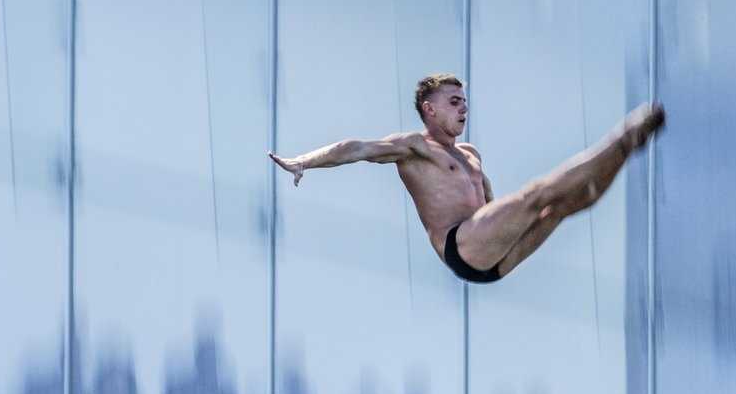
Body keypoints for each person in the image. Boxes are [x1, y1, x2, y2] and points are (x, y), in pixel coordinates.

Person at [269, 73, 664, 283]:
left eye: (465, 102)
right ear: (429, 109)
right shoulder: (414, 148)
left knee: (556, 208)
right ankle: (622, 136)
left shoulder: (471, 154)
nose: (463, 109)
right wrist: (304, 161)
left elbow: (492, 210)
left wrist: (513, 227)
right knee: (534, 196)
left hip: (492, 262)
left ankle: (628, 151)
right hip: (461, 248)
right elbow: (353, 148)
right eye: (454, 102)